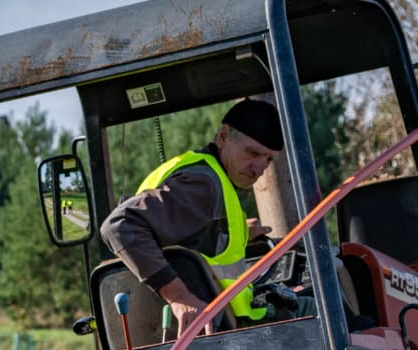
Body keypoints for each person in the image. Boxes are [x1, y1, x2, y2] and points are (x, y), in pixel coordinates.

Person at [100, 98, 284, 334]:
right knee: (316, 306)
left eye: (268, 160)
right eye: (253, 153)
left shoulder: (201, 173)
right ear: (224, 136)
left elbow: (183, 240)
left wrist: (239, 235)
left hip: (215, 327)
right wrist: (179, 297)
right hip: (223, 332)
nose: (259, 168)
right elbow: (119, 225)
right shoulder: (204, 183)